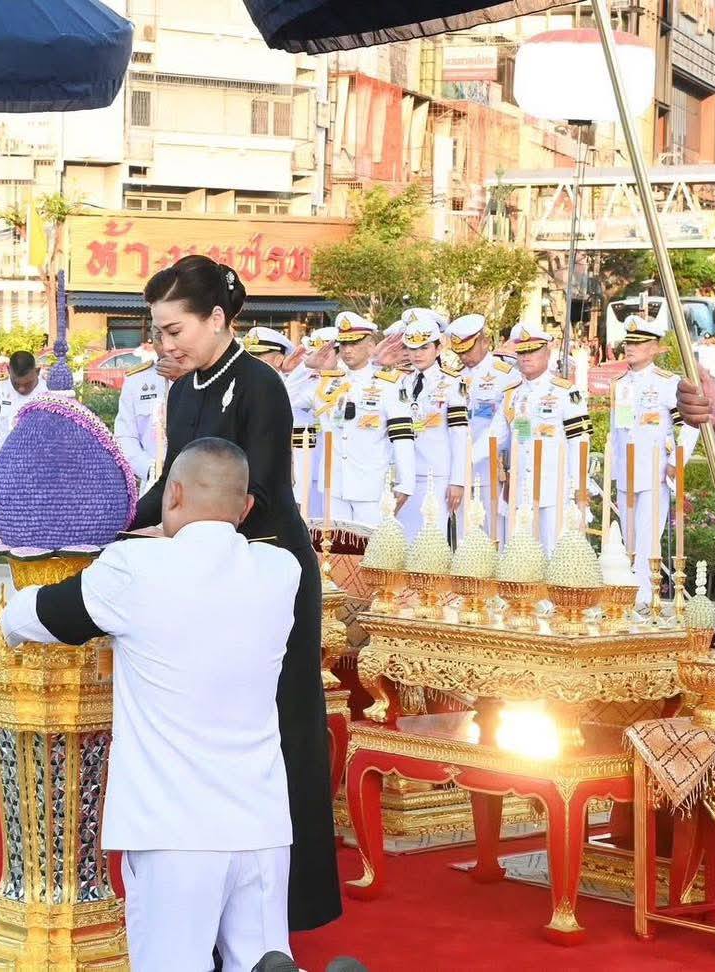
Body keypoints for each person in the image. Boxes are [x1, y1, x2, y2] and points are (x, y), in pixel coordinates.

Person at [2, 438, 300, 970]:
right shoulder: (280, 571)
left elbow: (37, 615)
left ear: (173, 493)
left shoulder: (133, 568)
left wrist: (7, 610)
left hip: (173, 830)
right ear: (246, 508)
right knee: (263, 960)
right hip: (262, 827)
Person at [129, 254, 342, 933]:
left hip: (265, 570)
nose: (165, 345)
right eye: (158, 332)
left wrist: (178, 534)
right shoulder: (184, 390)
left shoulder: (259, 385)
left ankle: (294, 901)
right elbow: (171, 485)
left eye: (174, 330)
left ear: (218, 318)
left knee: (282, 725)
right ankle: (218, 901)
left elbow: (259, 490)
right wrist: (116, 524)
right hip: (205, 568)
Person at [607, 314, 700, 604]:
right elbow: (617, 430)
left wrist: (676, 462)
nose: (630, 348)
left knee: (648, 539)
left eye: (638, 343)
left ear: (654, 348)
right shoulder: (620, 383)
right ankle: (628, 596)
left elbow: (690, 424)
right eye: (628, 343)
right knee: (629, 539)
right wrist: (613, 470)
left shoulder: (667, 383)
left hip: (654, 471)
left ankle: (645, 600)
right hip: (626, 472)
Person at [489, 323, 590, 553]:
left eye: (533, 350)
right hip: (520, 492)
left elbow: (579, 442)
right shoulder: (512, 394)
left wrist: (579, 489)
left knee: (554, 557)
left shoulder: (565, 392)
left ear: (547, 352)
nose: (526, 357)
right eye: (522, 352)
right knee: (519, 559)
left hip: (554, 491)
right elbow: (495, 438)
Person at [314, 312, 416, 527]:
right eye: (343, 344)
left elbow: (402, 436)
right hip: (334, 483)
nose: (347, 350)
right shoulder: (328, 383)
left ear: (371, 347)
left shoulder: (387, 386)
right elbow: (293, 397)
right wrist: (308, 366)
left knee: (371, 545)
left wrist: (406, 482)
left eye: (354, 343)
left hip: (370, 485)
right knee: (335, 544)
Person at [448, 314, 521, 536]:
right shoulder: (453, 378)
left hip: (491, 470)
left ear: (485, 342)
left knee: (494, 535)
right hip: (458, 472)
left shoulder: (506, 376)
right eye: (459, 352)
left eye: (468, 350)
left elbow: (508, 429)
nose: (464, 357)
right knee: (463, 537)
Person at [397, 318, 468, 540]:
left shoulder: (453, 382)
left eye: (424, 348)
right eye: (412, 348)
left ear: (438, 349)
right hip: (406, 473)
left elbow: (459, 434)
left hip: (437, 474)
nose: (417, 354)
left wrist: (457, 480)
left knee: (432, 539)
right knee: (404, 537)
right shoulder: (402, 382)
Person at [244, 326, 323, 516]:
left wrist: (302, 369)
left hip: (295, 472)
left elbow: (283, 397)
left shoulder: (301, 384)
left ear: (278, 359)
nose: (251, 362)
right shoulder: (247, 385)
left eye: (259, 356)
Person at [0, 350, 47, 501]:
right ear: (8, 370)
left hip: (40, 475)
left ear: (37, 371)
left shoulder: (50, 395)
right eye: (16, 383)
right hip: (5, 472)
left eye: (27, 383)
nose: (22, 389)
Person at [115, 342, 170, 485]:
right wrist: (149, 469)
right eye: (159, 334)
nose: (166, 343)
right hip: (153, 481)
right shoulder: (137, 380)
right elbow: (125, 435)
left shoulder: (199, 377)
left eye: (174, 333)